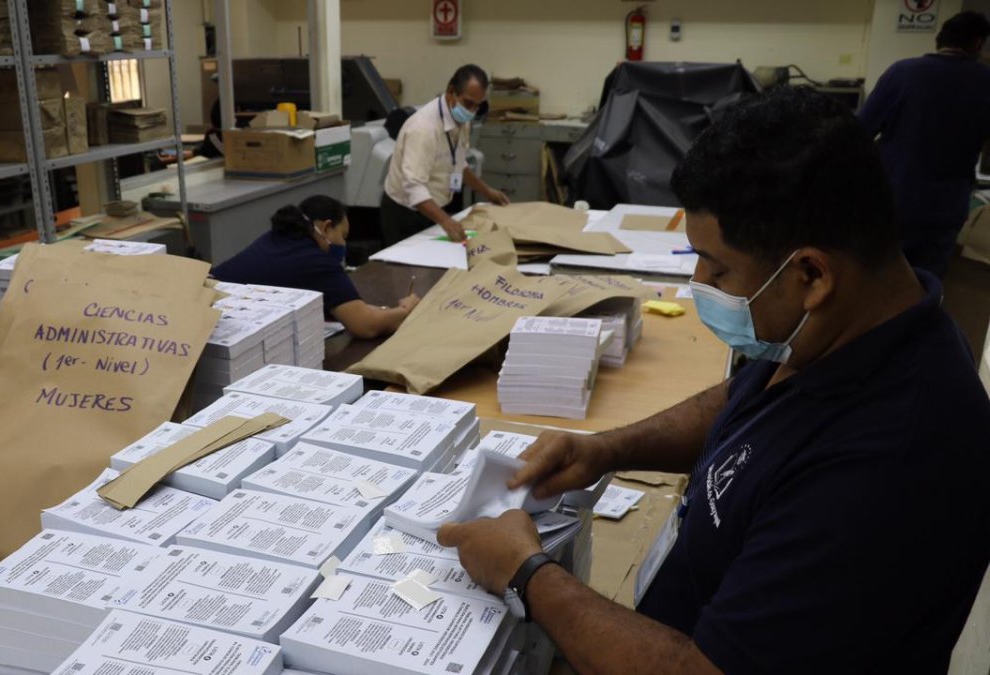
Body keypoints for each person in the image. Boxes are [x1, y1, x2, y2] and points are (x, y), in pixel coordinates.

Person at [437, 87, 990, 673]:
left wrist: (525, 574)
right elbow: (749, 403)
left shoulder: (892, 464)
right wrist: (607, 448)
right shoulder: (850, 324)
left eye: (718, 267)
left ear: (810, 273)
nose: (700, 281)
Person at [858, 10, 990, 277]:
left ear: (940, 39)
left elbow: (859, 131)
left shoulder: (903, 73)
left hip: (895, 201)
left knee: (879, 281)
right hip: (947, 207)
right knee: (927, 283)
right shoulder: (985, 81)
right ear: (977, 44)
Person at [211, 195, 419, 339]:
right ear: (326, 227)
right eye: (343, 236)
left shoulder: (279, 238)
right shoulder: (317, 262)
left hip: (207, 311)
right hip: (223, 327)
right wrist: (406, 310)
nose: (344, 245)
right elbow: (365, 325)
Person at [381, 64, 510, 246]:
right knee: (410, 272)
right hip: (405, 215)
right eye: (468, 103)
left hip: (431, 210)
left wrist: (486, 191)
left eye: (477, 106)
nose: (471, 111)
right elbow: (413, 186)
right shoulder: (424, 129)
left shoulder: (460, 119)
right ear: (451, 92)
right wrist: (446, 221)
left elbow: (457, 162)